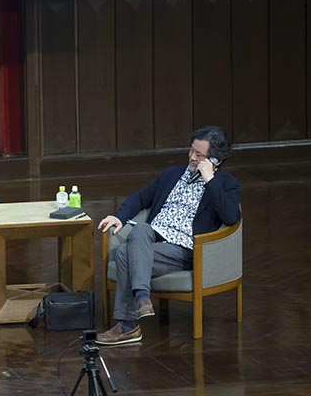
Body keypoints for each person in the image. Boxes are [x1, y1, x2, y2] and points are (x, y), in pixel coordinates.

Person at [96, 126, 241, 345]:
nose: (192, 157)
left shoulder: (226, 184)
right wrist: (119, 217)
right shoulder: (172, 174)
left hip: (184, 249)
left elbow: (231, 217)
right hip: (153, 238)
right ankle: (142, 301)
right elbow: (141, 197)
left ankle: (128, 324)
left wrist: (210, 180)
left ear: (216, 160)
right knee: (141, 229)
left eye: (199, 155)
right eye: (191, 150)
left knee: (125, 252)